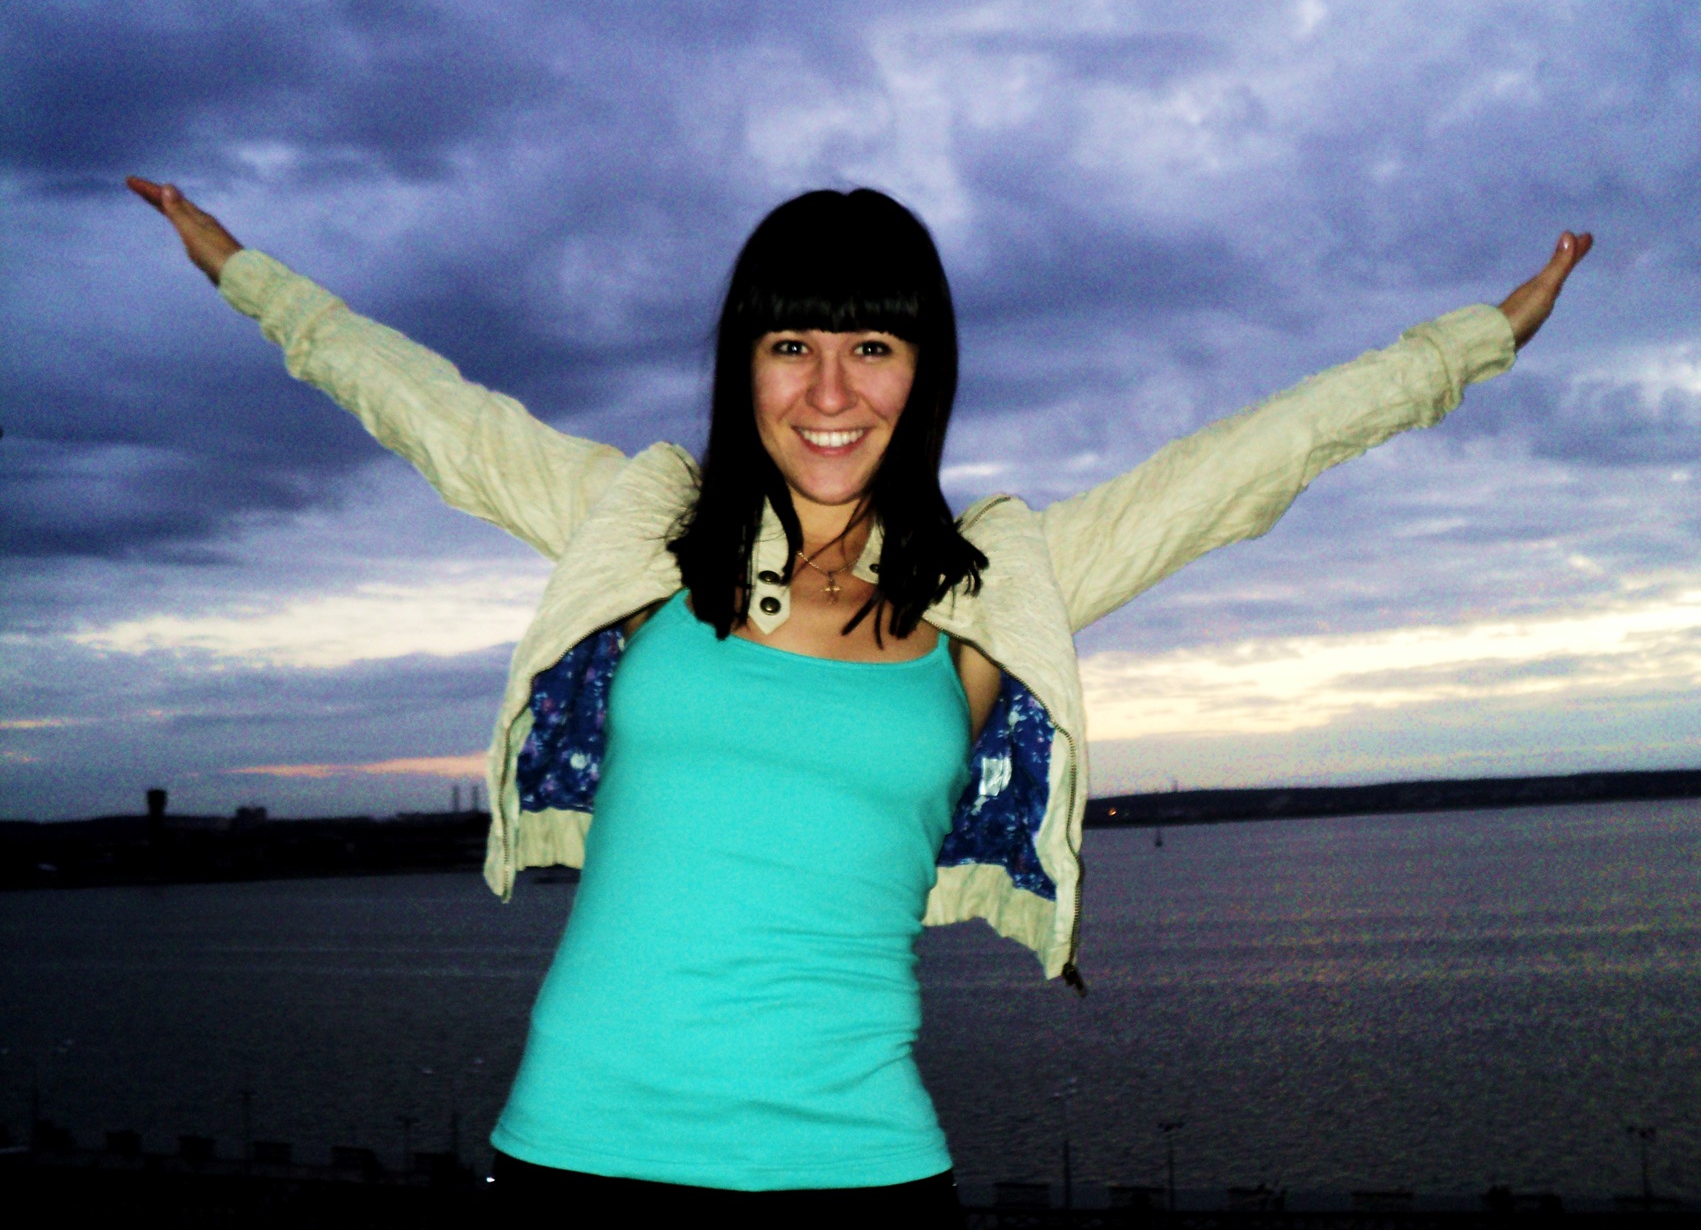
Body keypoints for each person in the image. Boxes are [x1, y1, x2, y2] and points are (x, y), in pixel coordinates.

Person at [129, 176, 1589, 1224]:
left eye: (871, 347)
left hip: (854, 1170)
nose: (829, 392)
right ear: (745, 365)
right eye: (792, 346)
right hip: (577, 1151)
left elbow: (1248, 462)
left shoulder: (995, 587)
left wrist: (1478, 340)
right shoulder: (639, 532)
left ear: (922, 369)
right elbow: (430, 410)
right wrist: (246, 274)